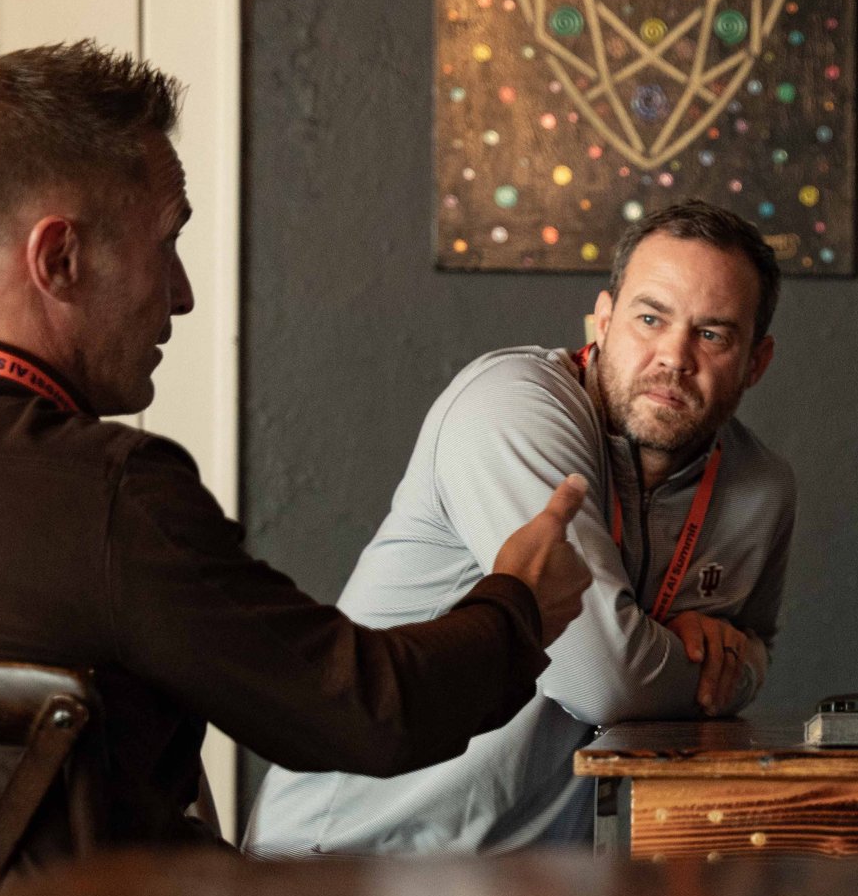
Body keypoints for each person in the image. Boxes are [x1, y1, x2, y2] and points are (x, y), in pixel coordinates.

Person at [0, 41, 591, 896]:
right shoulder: (108, 495)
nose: (183, 295)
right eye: (168, 241)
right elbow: (368, 713)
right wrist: (517, 604)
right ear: (60, 257)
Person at [249, 201, 796, 854]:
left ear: (756, 361)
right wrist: (704, 666)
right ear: (603, 320)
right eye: (650, 318)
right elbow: (603, 680)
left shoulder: (761, 489)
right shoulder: (511, 406)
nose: (673, 356)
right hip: (347, 862)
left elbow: (753, 648)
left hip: (537, 879)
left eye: (712, 334)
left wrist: (731, 662)